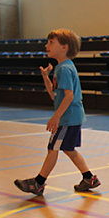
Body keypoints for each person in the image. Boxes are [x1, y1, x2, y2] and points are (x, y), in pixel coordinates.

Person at [14, 29, 100, 196]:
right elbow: (55, 96)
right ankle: (89, 178)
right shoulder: (63, 68)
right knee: (68, 149)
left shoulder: (64, 69)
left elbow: (69, 96)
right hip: (72, 116)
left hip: (68, 118)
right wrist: (46, 78)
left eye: (51, 42)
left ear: (64, 47)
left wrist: (56, 117)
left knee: (53, 147)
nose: (46, 45)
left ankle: (38, 183)